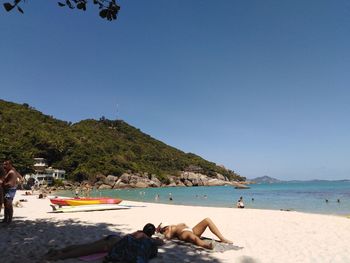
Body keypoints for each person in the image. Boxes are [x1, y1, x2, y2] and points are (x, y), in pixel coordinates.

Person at [45, 223, 163, 261]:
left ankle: (59, 251)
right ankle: (57, 257)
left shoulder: (138, 232)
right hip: (111, 245)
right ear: (151, 233)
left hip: (114, 238)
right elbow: (160, 242)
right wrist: (156, 237)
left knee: (85, 246)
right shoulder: (147, 239)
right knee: (84, 251)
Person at [156, 217, 232, 249]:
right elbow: (168, 237)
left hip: (191, 230)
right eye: (166, 227)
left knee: (207, 220)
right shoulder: (168, 231)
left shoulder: (174, 225)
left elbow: (184, 223)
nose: (167, 227)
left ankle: (222, 239)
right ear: (164, 229)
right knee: (193, 237)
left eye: (167, 226)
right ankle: (207, 246)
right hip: (183, 234)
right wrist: (169, 229)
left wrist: (184, 225)